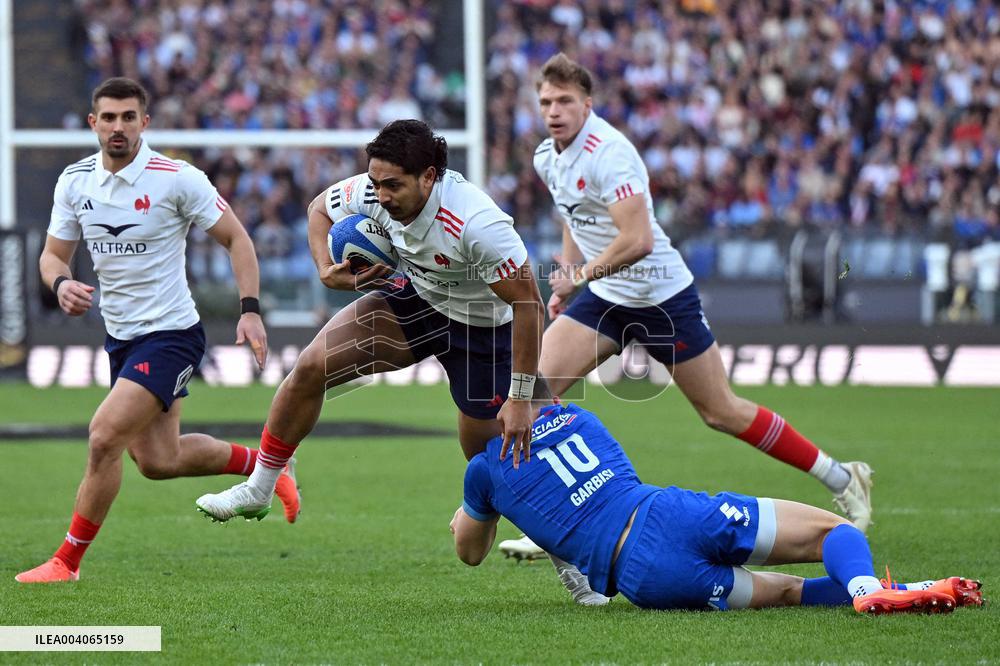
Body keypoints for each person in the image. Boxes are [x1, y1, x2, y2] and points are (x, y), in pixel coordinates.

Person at [498, 53, 872, 562]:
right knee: (531, 396)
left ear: (587, 104)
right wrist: (567, 274)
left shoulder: (612, 153)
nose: (554, 110)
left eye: (565, 100)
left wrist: (582, 275)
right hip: (607, 299)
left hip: (660, 298)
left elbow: (638, 240)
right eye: (546, 102)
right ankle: (561, 528)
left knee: (721, 412)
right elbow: (574, 215)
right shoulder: (548, 155)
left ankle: (841, 475)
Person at [16, 78, 299, 584]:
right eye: (108, 117)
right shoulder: (74, 182)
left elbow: (236, 238)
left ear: (145, 123)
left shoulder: (176, 178)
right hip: (120, 338)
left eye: (128, 117)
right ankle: (266, 466)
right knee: (156, 460)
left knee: (103, 436)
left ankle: (66, 562)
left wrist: (250, 310)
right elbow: (53, 256)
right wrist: (60, 283)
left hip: (171, 334)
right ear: (93, 123)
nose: (118, 127)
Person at [196, 120, 544, 521]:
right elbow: (318, 210)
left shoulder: (477, 224)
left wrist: (520, 397)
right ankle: (260, 487)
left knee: (492, 466)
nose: (381, 195)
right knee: (310, 367)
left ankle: (567, 562)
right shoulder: (370, 189)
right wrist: (326, 268)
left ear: (428, 177)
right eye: (376, 182)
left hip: (482, 329)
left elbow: (529, 304)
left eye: (393, 185)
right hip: (416, 298)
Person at [450, 384, 984, 614]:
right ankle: (868, 588)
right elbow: (613, 485)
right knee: (832, 534)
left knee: (789, 594)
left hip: (643, 580)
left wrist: (482, 509)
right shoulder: (580, 418)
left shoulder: (483, 473)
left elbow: (470, 550)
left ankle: (899, 590)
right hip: (667, 515)